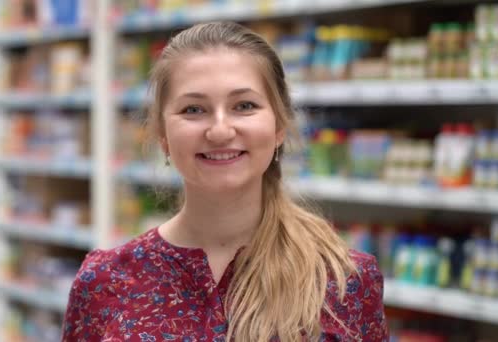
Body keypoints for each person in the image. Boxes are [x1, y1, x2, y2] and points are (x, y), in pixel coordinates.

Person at [62, 21, 389, 342]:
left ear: (279, 127)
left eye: (244, 106)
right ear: (163, 136)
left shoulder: (343, 280)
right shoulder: (105, 281)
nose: (219, 131)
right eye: (193, 109)